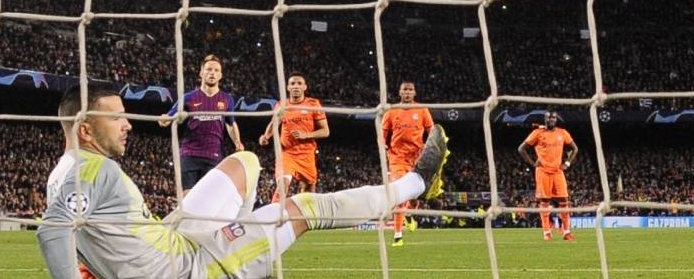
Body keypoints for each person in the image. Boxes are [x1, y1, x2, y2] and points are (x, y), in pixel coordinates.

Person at [37, 85, 450, 279]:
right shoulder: (90, 170)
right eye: (116, 117)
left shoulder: (67, 171)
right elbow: (52, 230)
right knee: (306, 208)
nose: (129, 124)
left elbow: (80, 229)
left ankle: (246, 240)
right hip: (191, 268)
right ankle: (414, 182)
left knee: (244, 162)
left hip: (176, 237)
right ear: (85, 129)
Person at [159, 55, 244, 193]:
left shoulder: (227, 99)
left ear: (221, 75)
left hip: (214, 155)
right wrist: (163, 120)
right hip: (189, 153)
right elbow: (168, 119)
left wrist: (237, 142)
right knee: (187, 198)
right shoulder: (188, 97)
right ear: (201, 73)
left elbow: (230, 124)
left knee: (207, 198)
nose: (212, 73)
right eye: (209, 69)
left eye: (216, 70)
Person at [257, 73, 329, 201]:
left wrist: (306, 135)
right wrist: (266, 136)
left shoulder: (313, 104)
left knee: (309, 193)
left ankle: (303, 218)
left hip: (307, 155)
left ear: (305, 87)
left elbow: (325, 131)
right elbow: (274, 123)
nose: (296, 86)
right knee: (282, 185)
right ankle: (274, 216)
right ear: (288, 87)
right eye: (292, 84)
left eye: (299, 83)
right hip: (287, 153)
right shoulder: (281, 105)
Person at [381, 81, 434, 247]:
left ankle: (410, 213)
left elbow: (431, 130)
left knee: (414, 194)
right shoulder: (391, 110)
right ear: (400, 92)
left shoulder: (422, 110)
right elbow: (382, 132)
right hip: (397, 158)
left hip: (416, 158)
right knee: (400, 193)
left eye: (410, 89)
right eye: (405, 89)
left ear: (414, 92)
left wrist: (430, 145)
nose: (407, 92)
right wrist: (381, 143)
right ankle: (398, 236)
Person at [518, 110, 579, 242]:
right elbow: (521, 148)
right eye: (549, 117)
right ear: (544, 119)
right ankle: (547, 232)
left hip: (558, 171)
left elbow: (575, 148)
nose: (552, 119)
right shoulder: (537, 133)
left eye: (554, 117)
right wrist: (533, 163)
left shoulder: (562, 133)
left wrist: (567, 163)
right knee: (544, 202)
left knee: (564, 201)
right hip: (543, 172)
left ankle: (566, 232)